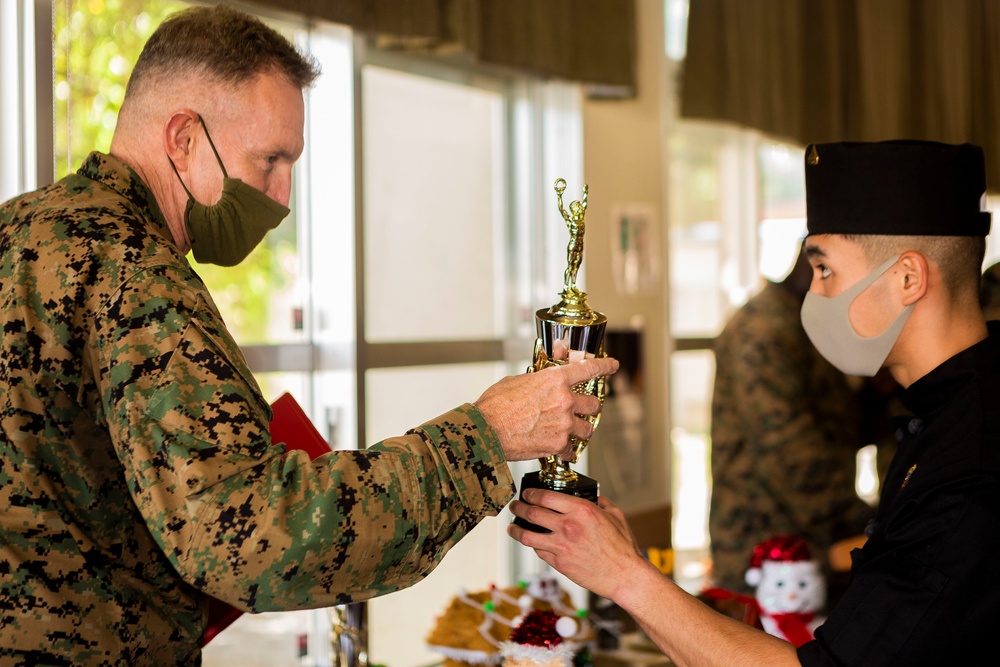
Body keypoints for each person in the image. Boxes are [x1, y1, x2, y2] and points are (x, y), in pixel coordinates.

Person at [0, 5, 618, 665]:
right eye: (270, 160)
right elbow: (245, 539)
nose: (283, 195)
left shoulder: (20, 230)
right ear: (182, 138)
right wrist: (480, 439)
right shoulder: (137, 274)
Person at [510, 139, 1000, 665]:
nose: (813, 294)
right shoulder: (950, 416)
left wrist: (624, 574)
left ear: (907, 278)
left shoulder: (970, 463)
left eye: (826, 269)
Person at [709, 242, 875, 607]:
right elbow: (788, 448)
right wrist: (867, 522)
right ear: (816, 264)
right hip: (764, 553)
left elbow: (841, 424)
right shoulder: (763, 329)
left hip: (813, 545)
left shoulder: (807, 324)